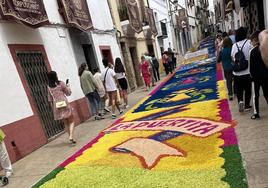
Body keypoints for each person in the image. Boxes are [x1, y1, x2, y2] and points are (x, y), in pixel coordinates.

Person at [47, 71, 76, 144]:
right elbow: (68, 93)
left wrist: (53, 109)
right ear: (55, 76)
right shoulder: (61, 83)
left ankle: (70, 136)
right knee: (71, 120)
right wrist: (68, 86)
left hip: (56, 105)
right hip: (64, 103)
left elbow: (50, 99)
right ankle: (71, 136)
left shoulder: (49, 87)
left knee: (65, 122)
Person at [231, 27, 253, 112]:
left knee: (239, 89)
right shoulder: (248, 43)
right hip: (247, 70)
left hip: (237, 72)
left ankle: (240, 101)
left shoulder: (234, 45)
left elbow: (233, 57)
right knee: (248, 88)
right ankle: (247, 105)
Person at [249, 31, 268, 120]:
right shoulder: (263, 48)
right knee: (266, 93)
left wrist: (251, 76)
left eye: (251, 41)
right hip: (265, 75)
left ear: (254, 40)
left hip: (255, 77)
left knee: (255, 95)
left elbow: (250, 66)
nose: (250, 43)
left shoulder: (252, 51)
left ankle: (256, 113)